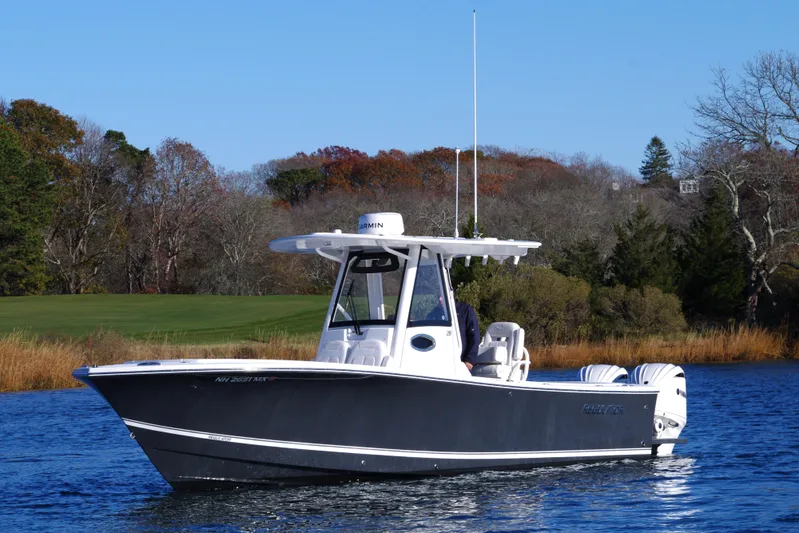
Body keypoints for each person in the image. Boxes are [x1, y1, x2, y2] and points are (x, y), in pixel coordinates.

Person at [455, 300, 480, 370]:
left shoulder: (465, 310)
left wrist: (470, 360)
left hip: (462, 362)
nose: (440, 299)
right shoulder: (436, 312)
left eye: (441, 297)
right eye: (438, 296)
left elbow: (474, 336)